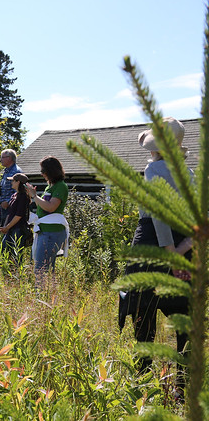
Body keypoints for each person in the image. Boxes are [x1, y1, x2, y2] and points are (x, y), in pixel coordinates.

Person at [118, 117, 192, 388]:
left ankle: (142, 385)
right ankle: (182, 388)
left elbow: (159, 215)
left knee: (143, 316)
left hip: (152, 246)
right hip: (183, 246)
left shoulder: (154, 169)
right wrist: (182, 251)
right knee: (185, 322)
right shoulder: (190, 174)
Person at [25, 156, 69, 290]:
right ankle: (48, 297)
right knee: (46, 267)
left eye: (43, 170)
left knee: (41, 268)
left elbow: (50, 207)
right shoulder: (51, 187)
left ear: (51, 171)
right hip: (45, 231)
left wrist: (34, 196)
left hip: (52, 233)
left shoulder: (61, 187)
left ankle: (41, 298)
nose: (41, 173)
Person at [0, 149, 23, 238]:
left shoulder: (16, 171)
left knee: (6, 233)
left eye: (3, 157)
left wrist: (8, 201)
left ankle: (4, 250)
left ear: (10, 158)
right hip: (0, 206)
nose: (1, 160)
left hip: (9, 208)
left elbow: (19, 189)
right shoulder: (5, 171)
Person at [0, 173, 30, 262]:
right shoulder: (14, 195)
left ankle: (17, 272)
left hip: (18, 229)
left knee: (16, 253)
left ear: (18, 182)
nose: (11, 182)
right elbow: (10, 213)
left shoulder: (23, 196)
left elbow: (18, 215)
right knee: (3, 249)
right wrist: (5, 227)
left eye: (13, 181)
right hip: (10, 228)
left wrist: (7, 227)